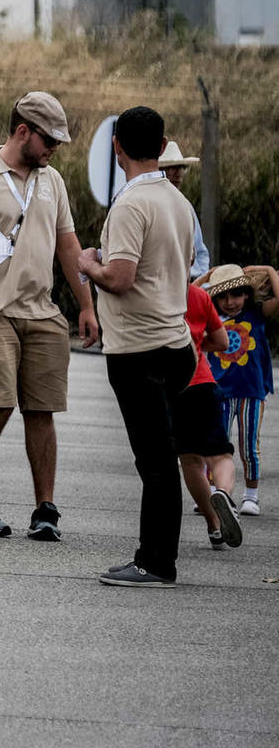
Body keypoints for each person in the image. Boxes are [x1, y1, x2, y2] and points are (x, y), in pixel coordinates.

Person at [0, 92, 99, 541]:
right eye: (50, 139)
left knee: (43, 409)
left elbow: (68, 245)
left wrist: (87, 305)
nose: (55, 148)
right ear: (23, 131)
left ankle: (45, 509)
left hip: (42, 311)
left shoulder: (51, 180)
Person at [78, 105, 197, 588]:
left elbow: (121, 278)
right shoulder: (177, 201)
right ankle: (154, 557)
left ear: (117, 145)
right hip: (177, 343)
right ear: (164, 143)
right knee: (162, 455)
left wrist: (88, 263)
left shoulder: (129, 204)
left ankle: (155, 561)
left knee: (155, 461)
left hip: (139, 350)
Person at [202, 263, 276, 517]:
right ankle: (214, 493)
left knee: (248, 448)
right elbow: (188, 295)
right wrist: (209, 277)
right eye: (222, 296)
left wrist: (268, 270)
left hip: (251, 391)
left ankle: (251, 496)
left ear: (246, 294)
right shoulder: (210, 317)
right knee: (215, 445)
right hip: (218, 392)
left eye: (235, 294)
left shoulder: (255, 315)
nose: (230, 302)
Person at [176, 281, 242, 550]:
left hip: (172, 387)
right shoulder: (199, 296)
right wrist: (198, 344)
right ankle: (224, 494)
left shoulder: (152, 288)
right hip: (202, 383)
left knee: (190, 460)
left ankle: (214, 525)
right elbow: (222, 341)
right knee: (219, 456)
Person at [160, 142, 210, 278]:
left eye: (181, 167)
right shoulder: (152, 207)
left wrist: (203, 282)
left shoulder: (186, 206)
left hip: (192, 283)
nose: (178, 173)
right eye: (172, 168)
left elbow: (200, 250)